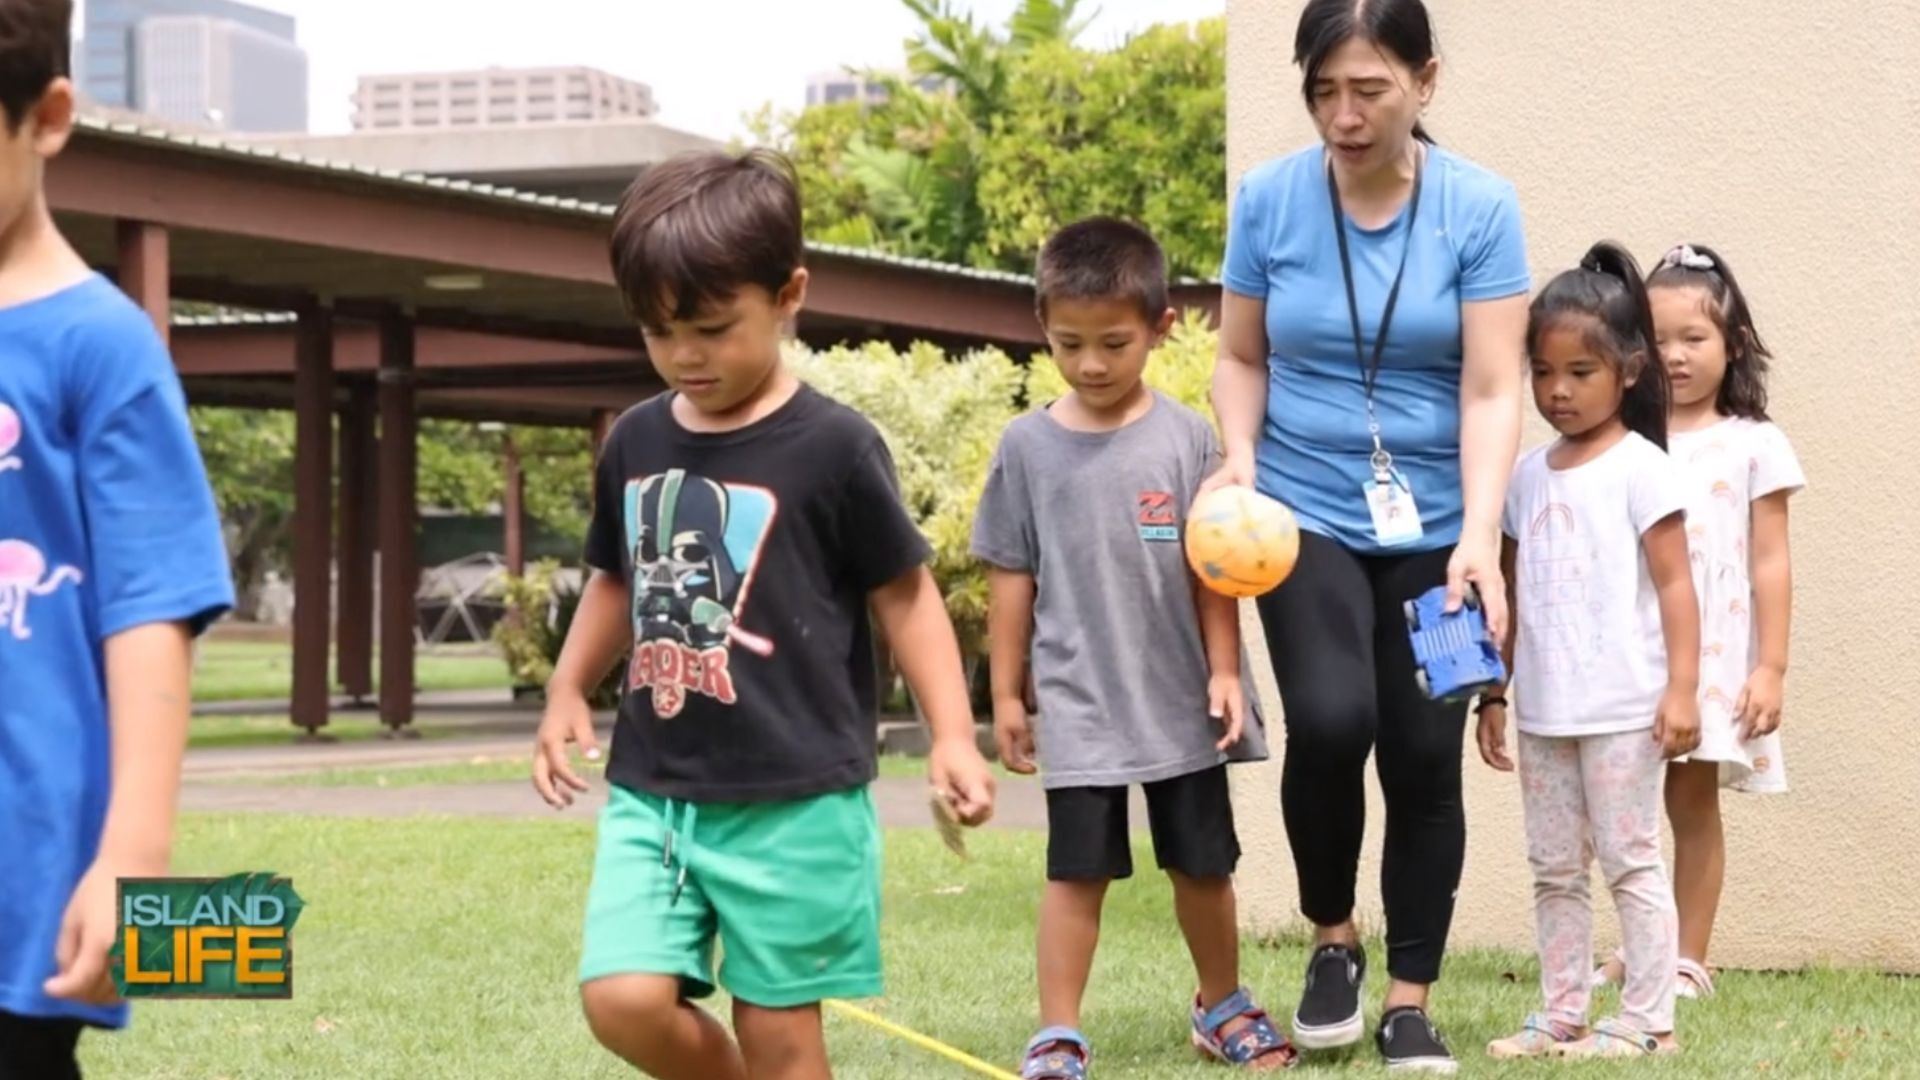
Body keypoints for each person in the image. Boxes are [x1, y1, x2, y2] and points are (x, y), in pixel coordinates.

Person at [530, 147, 998, 1080]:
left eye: (710, 327)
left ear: (788, 295)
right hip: (655, 793)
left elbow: (904, 594)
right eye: (658, 333)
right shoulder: (636, 440)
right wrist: (566, 687)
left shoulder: (834, 447)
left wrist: (952, 733)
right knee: (620, 1000)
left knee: (782, 1035)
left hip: (797, 803)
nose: (684, 356)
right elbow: (618, 577)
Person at [1207, 0, 1530, 1068]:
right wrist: (1241, 454)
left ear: (1424, 81)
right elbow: (1242, 354)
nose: (1343, 116)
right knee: (1336, 719)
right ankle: (1333, 938)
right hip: (1304, 507)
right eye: (1322, 91)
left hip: (1444, 526)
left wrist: (1481, 536)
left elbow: (1491, 388)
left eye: (1369, 90)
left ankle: (1408, 998)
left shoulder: (1481, 208)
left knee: (1428, 752)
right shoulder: (1268, 199)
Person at [972, 218, 1293, 1078]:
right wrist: (1007, 696)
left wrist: (1225, 670)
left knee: (1202, 865)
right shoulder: (1026, 448)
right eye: (1067, 343)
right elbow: (1011, 577)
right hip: (1079, 702)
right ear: (1042, 326)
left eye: (1114, 342)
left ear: (1161, 328)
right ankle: (1058, 1032)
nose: (1090, 363)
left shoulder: (1187, 440)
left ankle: (1222, 1004)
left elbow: (1212, 569)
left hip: (1180, 696)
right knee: (1076, 873)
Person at [0, 2, 236, 1076]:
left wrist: (133, 860)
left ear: (47, 119)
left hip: (25, 870)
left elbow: (151, 609)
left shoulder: (100, 345)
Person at [1475, 241, 1701, 1060]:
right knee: (1553, 869)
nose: (1558, 390)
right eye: (1543, 372)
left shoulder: (1644, 470)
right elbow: (1507, 598)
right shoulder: (1525, 475)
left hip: (1623, 712)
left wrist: (1683, 691)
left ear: (1629, 371)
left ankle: (1647, 1019)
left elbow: (1678, 588)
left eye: (1580, 371)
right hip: (1543, 713)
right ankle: (1561, 1010)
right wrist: (1494, 695)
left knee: (1631, 863)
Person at [1589, 243, 1804, 1001]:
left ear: (1733, 344)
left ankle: (1687, 957)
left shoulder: (1754, 443)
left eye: (1694, 339)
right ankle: (1639, 945)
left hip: (1709, 657)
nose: (1674, 356)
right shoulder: (1624, 442)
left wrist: (1769, 666)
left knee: (1690, 801)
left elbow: (1770, 561)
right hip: (1629, 648)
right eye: (1659, 340)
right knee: (1621, 806)